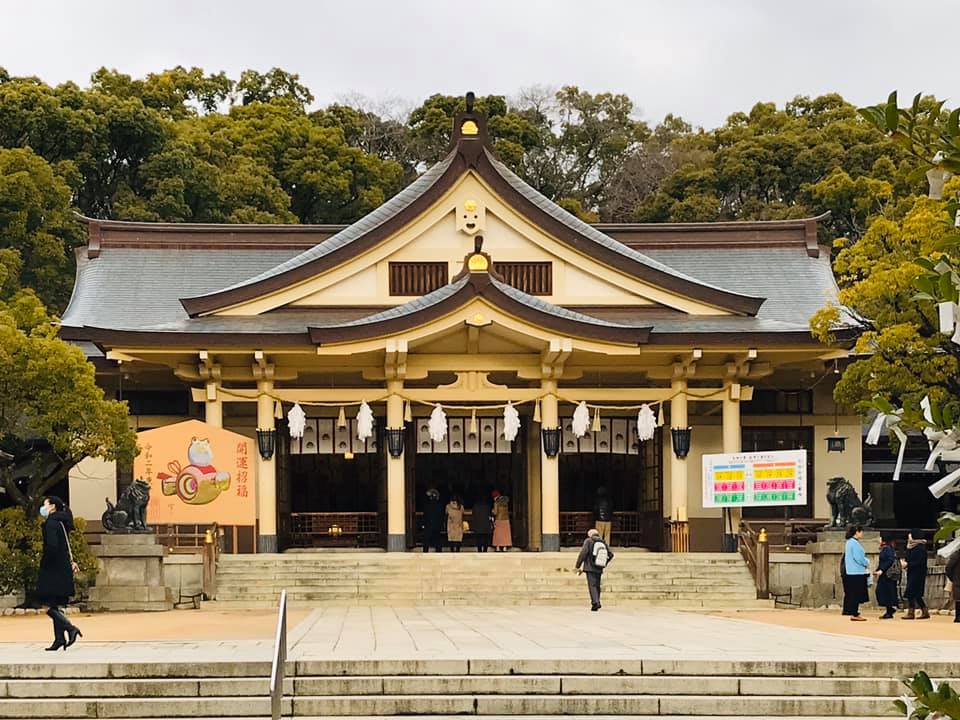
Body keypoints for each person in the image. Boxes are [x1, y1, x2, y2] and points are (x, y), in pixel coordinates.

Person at [36, 496, 82, 651]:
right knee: (54, 604)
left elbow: (52, 547)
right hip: (62, 567)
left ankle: (70, 628)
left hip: (52, 568)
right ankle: (59, 639)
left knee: (45, 605)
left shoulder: (51, 523)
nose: (43, 508)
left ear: (53, 507)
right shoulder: (62, 522)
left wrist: (44, 563)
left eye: (45, 505)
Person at [575, 528, 613, 611]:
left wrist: (577, 565)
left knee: (592, 585)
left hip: (590, 567)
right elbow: (611, 554)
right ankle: (597, 601)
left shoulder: (588, 541)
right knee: (597, 585)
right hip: (599, 566)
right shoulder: (602, 542)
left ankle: (595, 602)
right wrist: (604, 562)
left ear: (590, 535)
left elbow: (583, 553)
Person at [842, 525, 870, 621]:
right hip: (857, 571)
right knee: (856, 594)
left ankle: (853, 612)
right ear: (857, 532)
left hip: (851, 571)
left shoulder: (849, 542)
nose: (862, 534)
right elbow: (859, 558)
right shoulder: (854, 543)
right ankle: (854, 613)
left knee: (853, 593)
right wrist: (867, 562)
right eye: (861, 531)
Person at [902, 529, 930, 620]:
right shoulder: (911, 546)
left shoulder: (920, 547)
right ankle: (924, 610)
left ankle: (911, 612)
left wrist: (908, 564)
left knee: (911, 592)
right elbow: (908, 557)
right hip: (912, 571)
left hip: (918, 572)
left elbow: (920, 562)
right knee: (916, 593)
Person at [874, 533, 899, 619]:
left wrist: (881, 570)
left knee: (883, 591)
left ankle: (890, 609)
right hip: (887, 574)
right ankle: (889, 610)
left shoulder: (886, 549)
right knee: (887, 592)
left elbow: (889, 560)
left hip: (887, 574)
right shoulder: (887, 548)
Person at [947, 547, 960, 624]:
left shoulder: (956, 555)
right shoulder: (956, 555)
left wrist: (952, 578)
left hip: (957, 579)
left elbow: (948, 567)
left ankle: (958, 616)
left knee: (958, 599)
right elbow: (948, 568)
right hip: (957, 579)